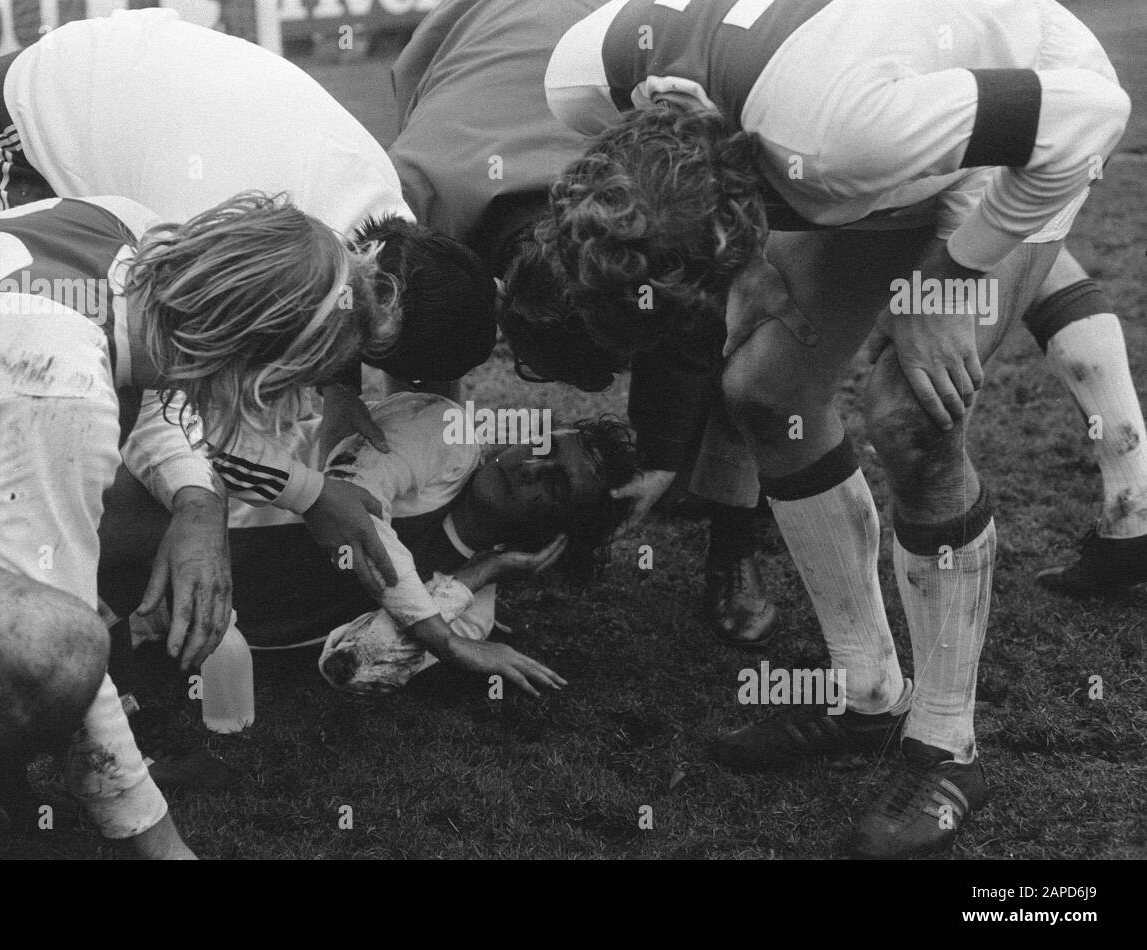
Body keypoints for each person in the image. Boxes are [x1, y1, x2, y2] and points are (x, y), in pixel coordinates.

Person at [541, 0, 1131, 856]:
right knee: (762, 390)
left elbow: (1087, 117)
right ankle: (868, 693)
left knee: (912, 418)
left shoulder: (839, 142)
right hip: (854, 115)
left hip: (1029, 121)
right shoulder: (583, 78)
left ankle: (948, 745)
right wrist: (739, 268)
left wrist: (950, 273)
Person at [0, 190, 395, 859]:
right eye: (289, 383)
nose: (292, 405)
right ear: (248, 353)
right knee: (57, 651)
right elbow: (57, 635)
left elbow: (159, 381)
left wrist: (199, 502)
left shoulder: (118, 224)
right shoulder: (58, 385)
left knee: (135, 518)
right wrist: (162, 844)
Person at [387, 0, 778, 647]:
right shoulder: (411, 199)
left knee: (745, 327)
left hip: (644, 44)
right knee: (417, 325)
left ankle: (734, 536)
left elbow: (691, 324)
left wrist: (658, 455)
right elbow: (412, 66)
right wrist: (427, 470)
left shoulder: (649, 206)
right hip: (492, 31)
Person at [0, 7, 496, 449]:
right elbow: (178, 368)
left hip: (129, 89)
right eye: (361, 349)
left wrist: (344, 395)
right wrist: (280, 495)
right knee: (58, 364)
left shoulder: (384, 222)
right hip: (12, 128)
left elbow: (368, 304)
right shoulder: (226, 224)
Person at [203, 392, 640, 694]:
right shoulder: (445, 433)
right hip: (186, 506)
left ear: (555, 532)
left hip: (186, 631)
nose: (530, 467)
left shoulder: (472, 616)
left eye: (557, 485)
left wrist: (479, 575)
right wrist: (442, 642)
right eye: (543, 446)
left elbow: (349, 667)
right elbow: (348, 512)